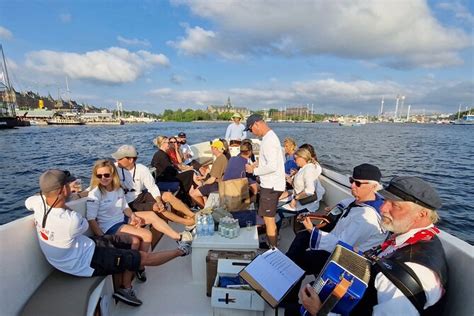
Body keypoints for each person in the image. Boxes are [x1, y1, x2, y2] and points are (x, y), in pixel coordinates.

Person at [25, 170, 191, 307]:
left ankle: (134, 268)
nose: (73, 185)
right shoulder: (71, 221)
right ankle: (180, 251)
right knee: (143, 257)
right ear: (62, 191)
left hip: (84, 246)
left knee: (133, 240)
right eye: (69, 185)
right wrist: (67, 201)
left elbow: (29, 201)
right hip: (86, 262)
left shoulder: (37, 202)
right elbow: (82, 224)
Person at [298, 176, 448, 316]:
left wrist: (320, 311)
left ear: (421, 214)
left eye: (394, 205)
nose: (382, 208)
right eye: (385, 200)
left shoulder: (406, 275)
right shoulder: (418, 240)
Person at [283, 163, 387, 309]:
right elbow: (347, 204)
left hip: (347, 261)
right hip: (338, 247)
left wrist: (313, 231)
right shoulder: (362, 200)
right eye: (351, 181)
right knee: (302, 238)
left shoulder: (368, 217)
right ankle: (285, 273)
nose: (352, 186)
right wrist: (335, 208)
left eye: (358, 183)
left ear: (374, 186)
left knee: (299, 260)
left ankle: (288, 297)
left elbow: (340, 246)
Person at [86, 160, 193, 282]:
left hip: (121, 218)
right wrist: (103, 238)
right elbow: (91, 219)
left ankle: (178, 238)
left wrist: (133, 217)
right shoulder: (95, 194)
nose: (103, 178)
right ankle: (140, 265)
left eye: (106, 175)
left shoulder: (118, 189)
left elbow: (125, 207)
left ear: (112, 174)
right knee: (146, 235)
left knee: (151, 215)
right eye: (99, 176)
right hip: (110, 226)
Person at [112, 145, 195, 227]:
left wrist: (159, 200)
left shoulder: (142, 169)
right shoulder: (114, 168)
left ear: (130, 160)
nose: (117, 160)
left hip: (140, 195)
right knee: (157, 207)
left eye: (120, 159)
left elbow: (152, 187)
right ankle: (186, 222)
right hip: (128, 202)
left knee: (168, 196)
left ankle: (193, 215)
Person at [245, 114, 285, 248]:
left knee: (269, 220)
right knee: (269, 219)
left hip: (271, 186)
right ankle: (271, 242)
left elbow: (272, 166)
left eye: (250, 129)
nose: (251, 133)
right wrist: (257, 163)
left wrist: (253, 171)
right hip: (273, 185)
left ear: (256, 124)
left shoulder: (269, 140)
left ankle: (273, 250)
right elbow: (268, 161)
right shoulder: (270, 138)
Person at [151, 135, 195, 200]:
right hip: (165, 179)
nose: (169, 144)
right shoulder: (161, 155)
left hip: (168, 177)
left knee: (190, 174)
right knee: (191, 173)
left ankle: (190, 198)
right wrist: (180, 170)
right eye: (168, 143)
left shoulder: (162, 154)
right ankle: (190, 197)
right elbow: (170, 169)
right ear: (162, 144)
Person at [283, 148, 325, 213]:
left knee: (278, 211)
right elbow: (300, 185)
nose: (294, 161)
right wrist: (291, 181)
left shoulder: (308, 170)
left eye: (295, 158)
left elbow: (310, 191)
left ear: (302, 158)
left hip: (306, 203)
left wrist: (295, 199)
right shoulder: (304, 168)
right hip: (299, 199)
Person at [190, 139, 228, 208]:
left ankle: (204, 209)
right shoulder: (223, 157)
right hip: (221, 182)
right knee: (199, 184)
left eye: (212, 148)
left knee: (193, 193)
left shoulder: (218, 161)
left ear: (215, 148)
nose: (211, 149)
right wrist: (203, 178)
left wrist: (203, 184)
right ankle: (205, 203)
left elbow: (212, 180)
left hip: (216, 185)